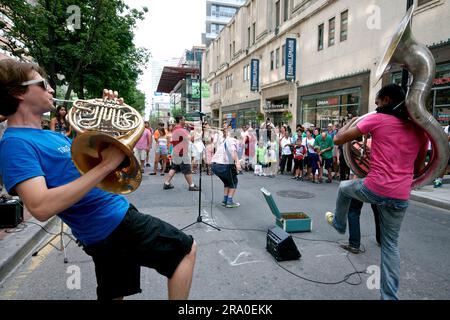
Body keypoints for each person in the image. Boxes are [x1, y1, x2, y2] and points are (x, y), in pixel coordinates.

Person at [0, 59, 197, 300]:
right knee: (185, 251)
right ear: (18, 93)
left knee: (114, 293)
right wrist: (106, 166)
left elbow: (98, 159)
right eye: (43, 84)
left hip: (107, 223)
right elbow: (40, 207)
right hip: (110, 222)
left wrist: (111, 118)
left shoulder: (49, 136)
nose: (51, 90)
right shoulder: (15, 144)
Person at [325, 84, 428, 300]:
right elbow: (418, 169)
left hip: (376, 187)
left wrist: (348, 125)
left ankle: (339, 224)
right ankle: (389, 297)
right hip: (400, 195)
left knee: (344, 188)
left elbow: (337, 140)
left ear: (387, 100)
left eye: (378, 102)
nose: (376, 106)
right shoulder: (420, 131)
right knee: (391, 245)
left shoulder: (378, 119)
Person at [163, 116, 199, 191]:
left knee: (174, 168)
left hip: (176, 151)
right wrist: (195, 130)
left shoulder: (176, 128)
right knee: (187, 169)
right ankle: (191, 185)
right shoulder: (181, 130)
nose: (185, 121)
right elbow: (191, 139)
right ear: (180, 120)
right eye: (184, 120)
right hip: (182, 152)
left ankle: (166, 183)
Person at [211, 129, 242, 208]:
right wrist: (238, 163)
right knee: (234, 182)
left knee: (227, 182)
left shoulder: (225, 141)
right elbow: (233, 151)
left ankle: (225, 200)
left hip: (215, 165)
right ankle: (229, 201)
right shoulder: (233, 140)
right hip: (224, 165)